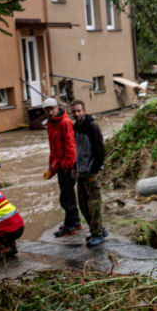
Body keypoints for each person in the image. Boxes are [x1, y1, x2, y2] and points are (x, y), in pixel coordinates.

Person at [70, 99, 107, 247]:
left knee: (94, 205)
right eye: (74, 111)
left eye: (79, 111)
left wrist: (94, 169)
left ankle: (97, 234)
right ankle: (98, 229)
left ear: (84, 111)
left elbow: (100, 151)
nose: (77, 114)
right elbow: (77, 150)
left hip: (92, 172)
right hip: (81, 171)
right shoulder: (75, 127)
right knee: (83, 205)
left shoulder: (93, 127)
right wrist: (74, 167)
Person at [42, 97, 80, 237]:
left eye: (52, 109)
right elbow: (54, 148)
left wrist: (66, 166)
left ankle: (70, 226)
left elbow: (71, 147)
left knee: (66, 196)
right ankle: (74, 221)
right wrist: (52, 166)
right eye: (47, 110)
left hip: (67, 166)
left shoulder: (65, 123)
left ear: (57, 108)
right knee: (68, 194)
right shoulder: (51, 124)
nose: (50, 112)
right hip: (60, 166)